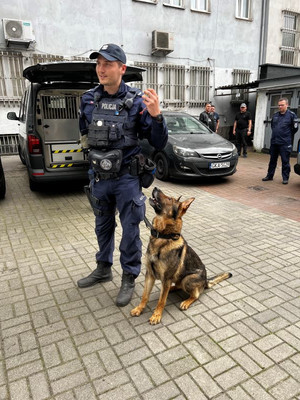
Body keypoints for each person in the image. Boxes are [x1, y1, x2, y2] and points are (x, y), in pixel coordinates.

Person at [77, 43, 168, 306]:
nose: (101, 69)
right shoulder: (89, 99)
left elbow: (159, 142)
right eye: (98, 64)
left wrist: (157, 116)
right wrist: (92, 160)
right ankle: (103, 268)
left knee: (130, 230)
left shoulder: (139, 101)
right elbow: (84, 133)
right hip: (99, 178)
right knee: (102, 226)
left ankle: (129, 276)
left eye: (107, 64)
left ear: (122, 68)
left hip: (127, 179)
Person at [262, 97, 298, 184]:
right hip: (274, 142)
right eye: (279, 105)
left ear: (287, 105)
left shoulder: (292, 115)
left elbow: (295, 129)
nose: (280, 107)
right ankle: (270, 176)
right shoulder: (275, 115)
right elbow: (273, 127)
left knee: (285, 161)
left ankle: (285, 178)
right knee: (272, 160)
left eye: (282, 105)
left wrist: (286, 136)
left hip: (285, 143)